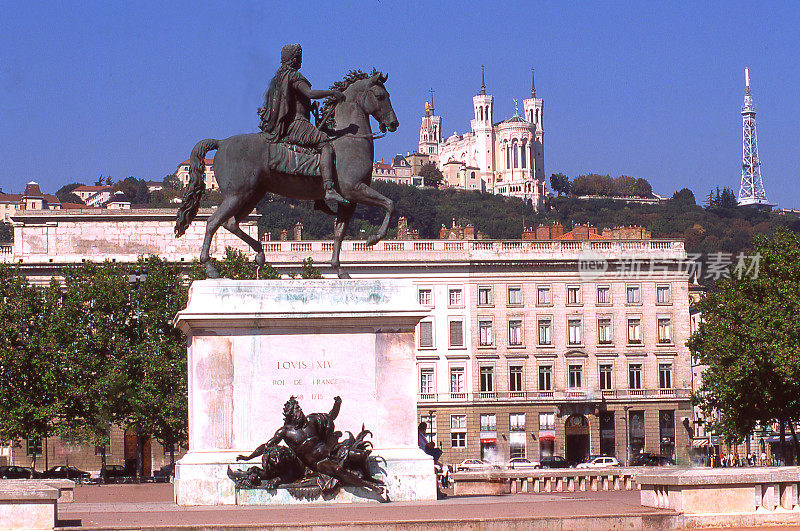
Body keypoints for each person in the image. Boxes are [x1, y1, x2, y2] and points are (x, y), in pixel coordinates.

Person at [258, 43, 348, 205]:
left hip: (287, 125)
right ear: (294, 59)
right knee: (326, 144)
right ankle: (328, 189)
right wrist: (333, 93)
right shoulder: (293, 76)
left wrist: (309, 107)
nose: (301, 61)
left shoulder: (278, 77)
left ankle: (318, 199)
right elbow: (310, 93)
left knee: (313, 152)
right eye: (299, 57)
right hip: (297, 124)